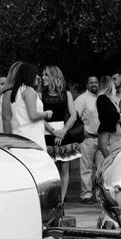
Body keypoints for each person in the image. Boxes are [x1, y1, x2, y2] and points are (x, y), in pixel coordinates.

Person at [41, 65, 81, 201]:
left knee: (65, 169)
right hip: (46, 133)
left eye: (46, 75)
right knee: (50, 170)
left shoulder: (66, 94)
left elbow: (73, 115)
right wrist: (53, 132)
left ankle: (61, 202)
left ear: (54, 76)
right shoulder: (40, 94)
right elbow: (39, 118)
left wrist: (62, 132)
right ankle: (50, 201)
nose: (43, 78)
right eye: (43, 75)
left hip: (63, 132)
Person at [5, 61, 52, 150]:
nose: (38, 77)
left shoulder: (16, 92)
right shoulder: (29, 91)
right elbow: (33, 116)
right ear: (29, 75)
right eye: (35, 74)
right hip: (32, 137)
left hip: (20, 136)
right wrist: (46, 113)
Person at [74, 75, 102, 204]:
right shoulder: (82, 99)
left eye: (96, 82)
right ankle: (86, 195)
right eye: (91, 83)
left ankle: (100, 195)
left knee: (101, 168)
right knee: (86, 168)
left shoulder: (101, 98)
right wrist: (83, 132)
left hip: (101, 138)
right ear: (87, 85)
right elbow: (74, 117)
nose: (94, 84)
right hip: (88, 138)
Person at [97, 76, 121, 157]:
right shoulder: (102, 98)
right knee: (109, 159)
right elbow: (111, 116)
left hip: (116, 136)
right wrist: (119, 116)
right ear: (109, 85)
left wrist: (119, 116)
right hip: (108, 135)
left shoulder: (112, 99)